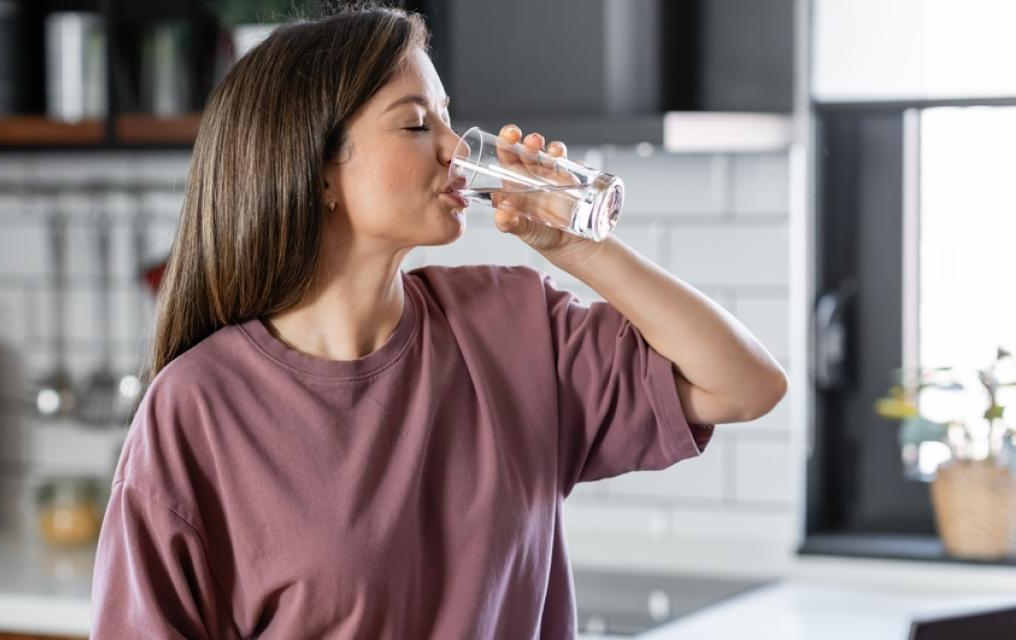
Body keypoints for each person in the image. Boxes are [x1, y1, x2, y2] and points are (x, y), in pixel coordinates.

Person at [90, 4, 788, 638]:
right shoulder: (199, 409)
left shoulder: (513, 326)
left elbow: (747, 385)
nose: (457, 150)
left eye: (448, 118)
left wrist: (581, 247)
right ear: (320, 171)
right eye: (417, 123)